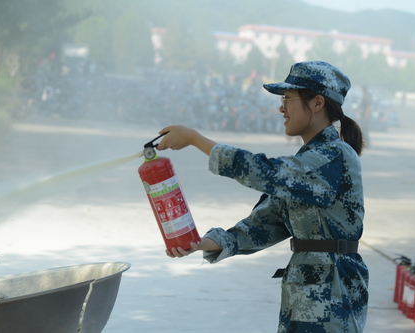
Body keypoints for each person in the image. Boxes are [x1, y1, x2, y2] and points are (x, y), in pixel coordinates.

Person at [157, 61, 369, 333]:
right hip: (306, 291)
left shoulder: (334, 156)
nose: (282, 108)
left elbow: (269, 173)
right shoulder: (308, 161)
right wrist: (205, 243)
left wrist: (196, 140)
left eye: (288, 99)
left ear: (317, 103)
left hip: (333, 293)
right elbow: (265, 223)